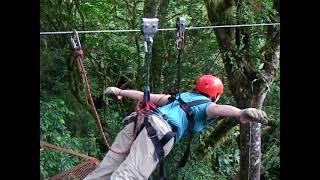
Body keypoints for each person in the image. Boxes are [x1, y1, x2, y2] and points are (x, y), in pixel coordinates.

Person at [84, 74, 267, 180]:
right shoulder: (206, 105)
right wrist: (241, 112)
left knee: (109, 165)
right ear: (215, 95)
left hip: (141, 120)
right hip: (160, 131)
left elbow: (146, 97)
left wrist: (119, 91)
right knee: (131, 174)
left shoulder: (180, 97)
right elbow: (219, 109)